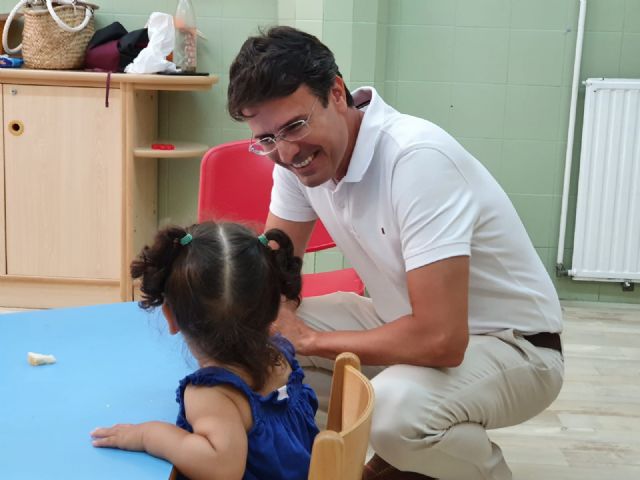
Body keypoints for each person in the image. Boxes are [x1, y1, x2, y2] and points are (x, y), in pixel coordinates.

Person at [227, 26, 564, 480]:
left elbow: (442, 340)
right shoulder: (293, 159)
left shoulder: (416, 159)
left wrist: (307, 338)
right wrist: (259, 310)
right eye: (266, 139)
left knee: (391, 414)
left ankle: (452, 461)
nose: (286, 152)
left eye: (294, 126)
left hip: (515, 347)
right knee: (254, 338)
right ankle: (375, 461)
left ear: (337, 92)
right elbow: (272, 271)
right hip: (402, 324)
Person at [90, 222, 319, 480]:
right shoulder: (280, 357)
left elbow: (222, 468)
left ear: (170, 317)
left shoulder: (213, 394)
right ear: (272, 309)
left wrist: (147, 435)